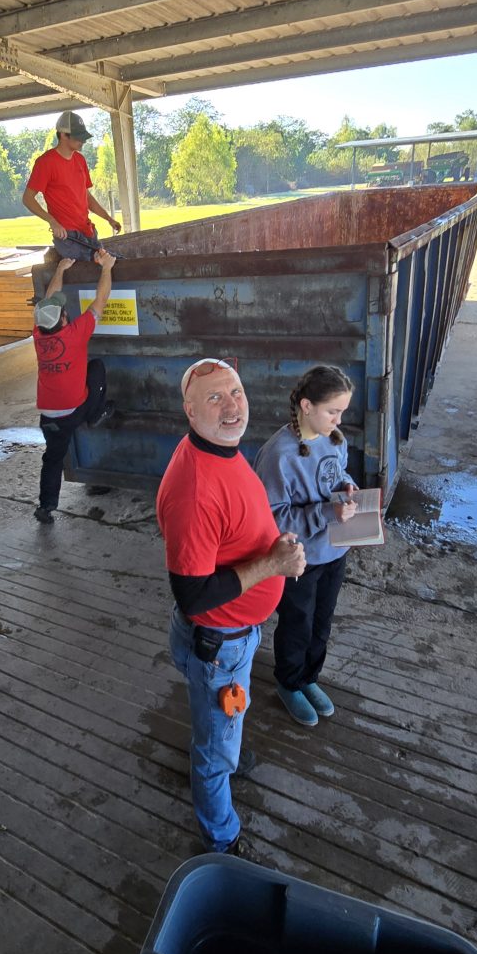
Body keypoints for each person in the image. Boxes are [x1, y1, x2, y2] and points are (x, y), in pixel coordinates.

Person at [156, 358, 306, 857]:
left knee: (220, 726)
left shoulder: (218, 448)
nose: (231, 406)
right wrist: (273, 564)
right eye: (214, 398)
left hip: (228, 639)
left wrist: (273, 546)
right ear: (190, 411)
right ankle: (222, 839)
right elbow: (194, 596)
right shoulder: (196, 490)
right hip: (220, 645)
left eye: (236, 391)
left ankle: (223, 745)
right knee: (213, 754)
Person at [253, 365, 357, 727]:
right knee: (297, 623)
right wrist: (328, 512)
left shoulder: (334, 438)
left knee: (322, 621)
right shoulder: (278, 455)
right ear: (307, 406)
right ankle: (289, 683)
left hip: (334, 550)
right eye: (333, 412)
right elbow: (273, 518)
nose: (339, 420)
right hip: (300, 558)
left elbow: (337, 474)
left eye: (342, 412)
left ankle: (309, 678)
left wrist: (347, 487)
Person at [32, 250, 116, 523]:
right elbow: (101, 300)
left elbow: (48, 300)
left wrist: (60, 269)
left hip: (49, 417)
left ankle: (45, 507)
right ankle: (95, 414)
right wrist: (107, 267)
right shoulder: (75, 334)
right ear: (64, 320)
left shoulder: (39, 335)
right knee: (97, 368)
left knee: (52, 459)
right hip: (74, 411)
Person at [23, 111, 122, 261]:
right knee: (97, 267)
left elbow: (86, 196)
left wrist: (108, 218)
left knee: (107, 263)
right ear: (63, 135)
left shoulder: (80, 160)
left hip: (88, 231)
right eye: (78, 137)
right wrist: (52, 222)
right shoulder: (46, 162)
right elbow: (27, 199)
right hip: (68, 236)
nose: (83, 141)